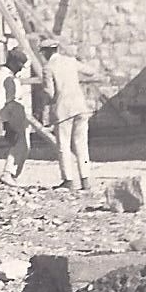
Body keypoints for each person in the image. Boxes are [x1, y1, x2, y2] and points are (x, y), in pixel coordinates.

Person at [40, 35, 91, 190]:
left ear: (46, 52)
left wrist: (46, 105)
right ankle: (85, 179)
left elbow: (49, 92)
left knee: (63, 145)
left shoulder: (48, 67)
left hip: (63, 110)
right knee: (81, 145)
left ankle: (68, 179)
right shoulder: (70, 61)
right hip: (80, 107)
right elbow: (90, 71)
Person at [0, 48, 31, 185]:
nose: (21, 69)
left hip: (17, 112)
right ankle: (8, 173)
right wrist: (7, 120)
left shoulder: (11, 77)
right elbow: (0, 100)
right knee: (19, 144)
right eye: (19, 65)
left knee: (24, 145)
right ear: (13, 62)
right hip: (12, 113)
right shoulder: (4, 77)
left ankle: (12, 174)